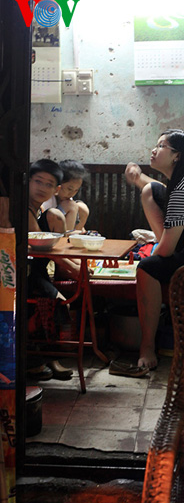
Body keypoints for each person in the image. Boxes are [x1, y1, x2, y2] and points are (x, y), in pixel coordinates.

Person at [124, 129, 184, 371]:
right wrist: (139, 178)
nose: (154, 150)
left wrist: (150, 257)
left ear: (176, 156)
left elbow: (165, 253)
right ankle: (162, 238)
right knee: (150, 189)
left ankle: (147, 346)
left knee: (147, 268)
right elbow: (159, 188)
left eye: (161, 146)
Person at [28, 159, 74, 381]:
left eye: (48, 184)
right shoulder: (23, 209)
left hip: (40, 271)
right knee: (55, 301)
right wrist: (75, 269)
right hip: (25, 273)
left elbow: (55, 249)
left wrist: (75, 267)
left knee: (55, 214)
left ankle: (50, 358)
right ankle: (35, 361)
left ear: (56, 189)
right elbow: (40, 248)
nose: (42, 188)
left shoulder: (44, 211)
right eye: (38, 181)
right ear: (28, 181)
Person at [41, 159, 90, 232]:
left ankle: (75, 236)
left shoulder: (67, 200)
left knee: (82, 208)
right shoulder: (48, 197)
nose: (72, 194)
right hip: (46, 231)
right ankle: (66, 236)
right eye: (69, 189)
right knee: (71, 206)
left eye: (76, 190)